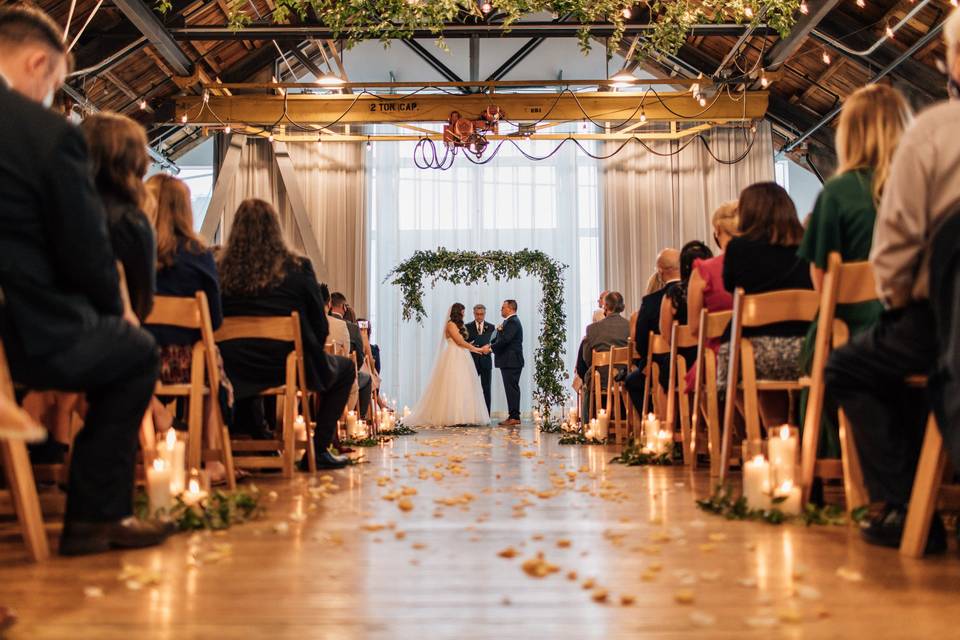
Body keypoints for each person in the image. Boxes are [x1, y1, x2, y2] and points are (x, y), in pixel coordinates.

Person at [0, 5, 166, 554]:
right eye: (54, 83)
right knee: (136, 351)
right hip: (22, 327)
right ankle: (96, 516)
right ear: (37, 61)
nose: (51, 96)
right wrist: (111, 309)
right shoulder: (40, 132)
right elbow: (82, 245)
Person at [825, 6, 960, 553]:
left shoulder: (935, 132)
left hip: (947, 324)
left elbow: (895, 258)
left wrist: (901, 301)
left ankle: (910, 507)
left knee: (853, 365)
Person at [797, 84, 910, 458]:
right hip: (921, 327)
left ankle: (835, 457)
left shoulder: (839, 192)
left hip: (854, 330)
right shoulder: (922, 188)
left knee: (820, 347)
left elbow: (822, 284)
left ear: (851, 133)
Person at [217, 199, 354, 470]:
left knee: (247, 361)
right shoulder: (298, 267)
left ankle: (263, 442)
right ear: (276, 230)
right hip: (285, 365)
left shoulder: (220, 271)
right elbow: (320, 326)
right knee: (346, 369)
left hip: (232, 367)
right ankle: (318, 451)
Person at [718, 182, 812, 427]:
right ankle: (800, 434)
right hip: (809, 351)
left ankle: (772, 432)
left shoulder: (739, 248)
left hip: (757, 354)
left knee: (747, 355)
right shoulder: (808, 245)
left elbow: (731, 286)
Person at [81, 112, 155, 322]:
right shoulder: (131, 222)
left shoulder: (54, 207)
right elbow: (142, 306)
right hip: (103, 336)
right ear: (136, 161)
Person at [403, 303, 491, 427]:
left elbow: (463, 342)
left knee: (464, 386)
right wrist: (478, 350)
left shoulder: (458, 325)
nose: (464, 314)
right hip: (454, 356)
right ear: (457, 312)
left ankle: (464, 415)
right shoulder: (450, 325)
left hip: (462, 356)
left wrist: (471, 346)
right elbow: (459, 342)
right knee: (454, 386)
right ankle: (454, 417)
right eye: (462, 312)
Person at [684, 202, 738, 391]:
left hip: (718, 359)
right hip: (762, 353)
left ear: (718, 231)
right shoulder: (764, 266)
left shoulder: (704, 271)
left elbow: (695, 328)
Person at [624, 248, 680, 412]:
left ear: (660, 272)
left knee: (632, 381)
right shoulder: (694, 293)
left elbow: (641, 343)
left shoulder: (651, 301)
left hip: (660, 367)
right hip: (694, 365)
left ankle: (653, 420)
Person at [579, 292, 630, 419]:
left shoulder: (592, 329)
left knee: (586, 383)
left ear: (605, 306)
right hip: (624, 378)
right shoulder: (630, 326)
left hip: (600, 379)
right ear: (622, 307)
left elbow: (588, 360)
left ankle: (589, 425)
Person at [329, 291, 372, 418]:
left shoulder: (317, 323)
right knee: (366, 378)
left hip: (320, 374)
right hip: (343, 376)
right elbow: (358, 357)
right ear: (343, 307)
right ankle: (359, 419)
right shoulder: (352, 328)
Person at [490, 300, 524, 426]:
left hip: (512, 361)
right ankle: (513, 415)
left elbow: (505, 340)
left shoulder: (513, 322)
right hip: (509, 361)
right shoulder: (510, 321)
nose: (501, 310)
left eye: (503, 307)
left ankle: (514, 417)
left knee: (512, 389)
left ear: (509, 308)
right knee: (511, 389)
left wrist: (490, 348)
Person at [465, 304, 496, 413]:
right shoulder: (467, 326)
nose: (479, 317)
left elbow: (494, 343)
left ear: (484, 314)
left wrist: (489, 348)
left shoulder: (491, 327)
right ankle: (469, 413)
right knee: (469, 389)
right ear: (474, 314)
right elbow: (464, 343)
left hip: (486, 361)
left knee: (486, 389)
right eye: (477, 314)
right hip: (471, 361)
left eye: (481, 314)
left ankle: (487, 414)